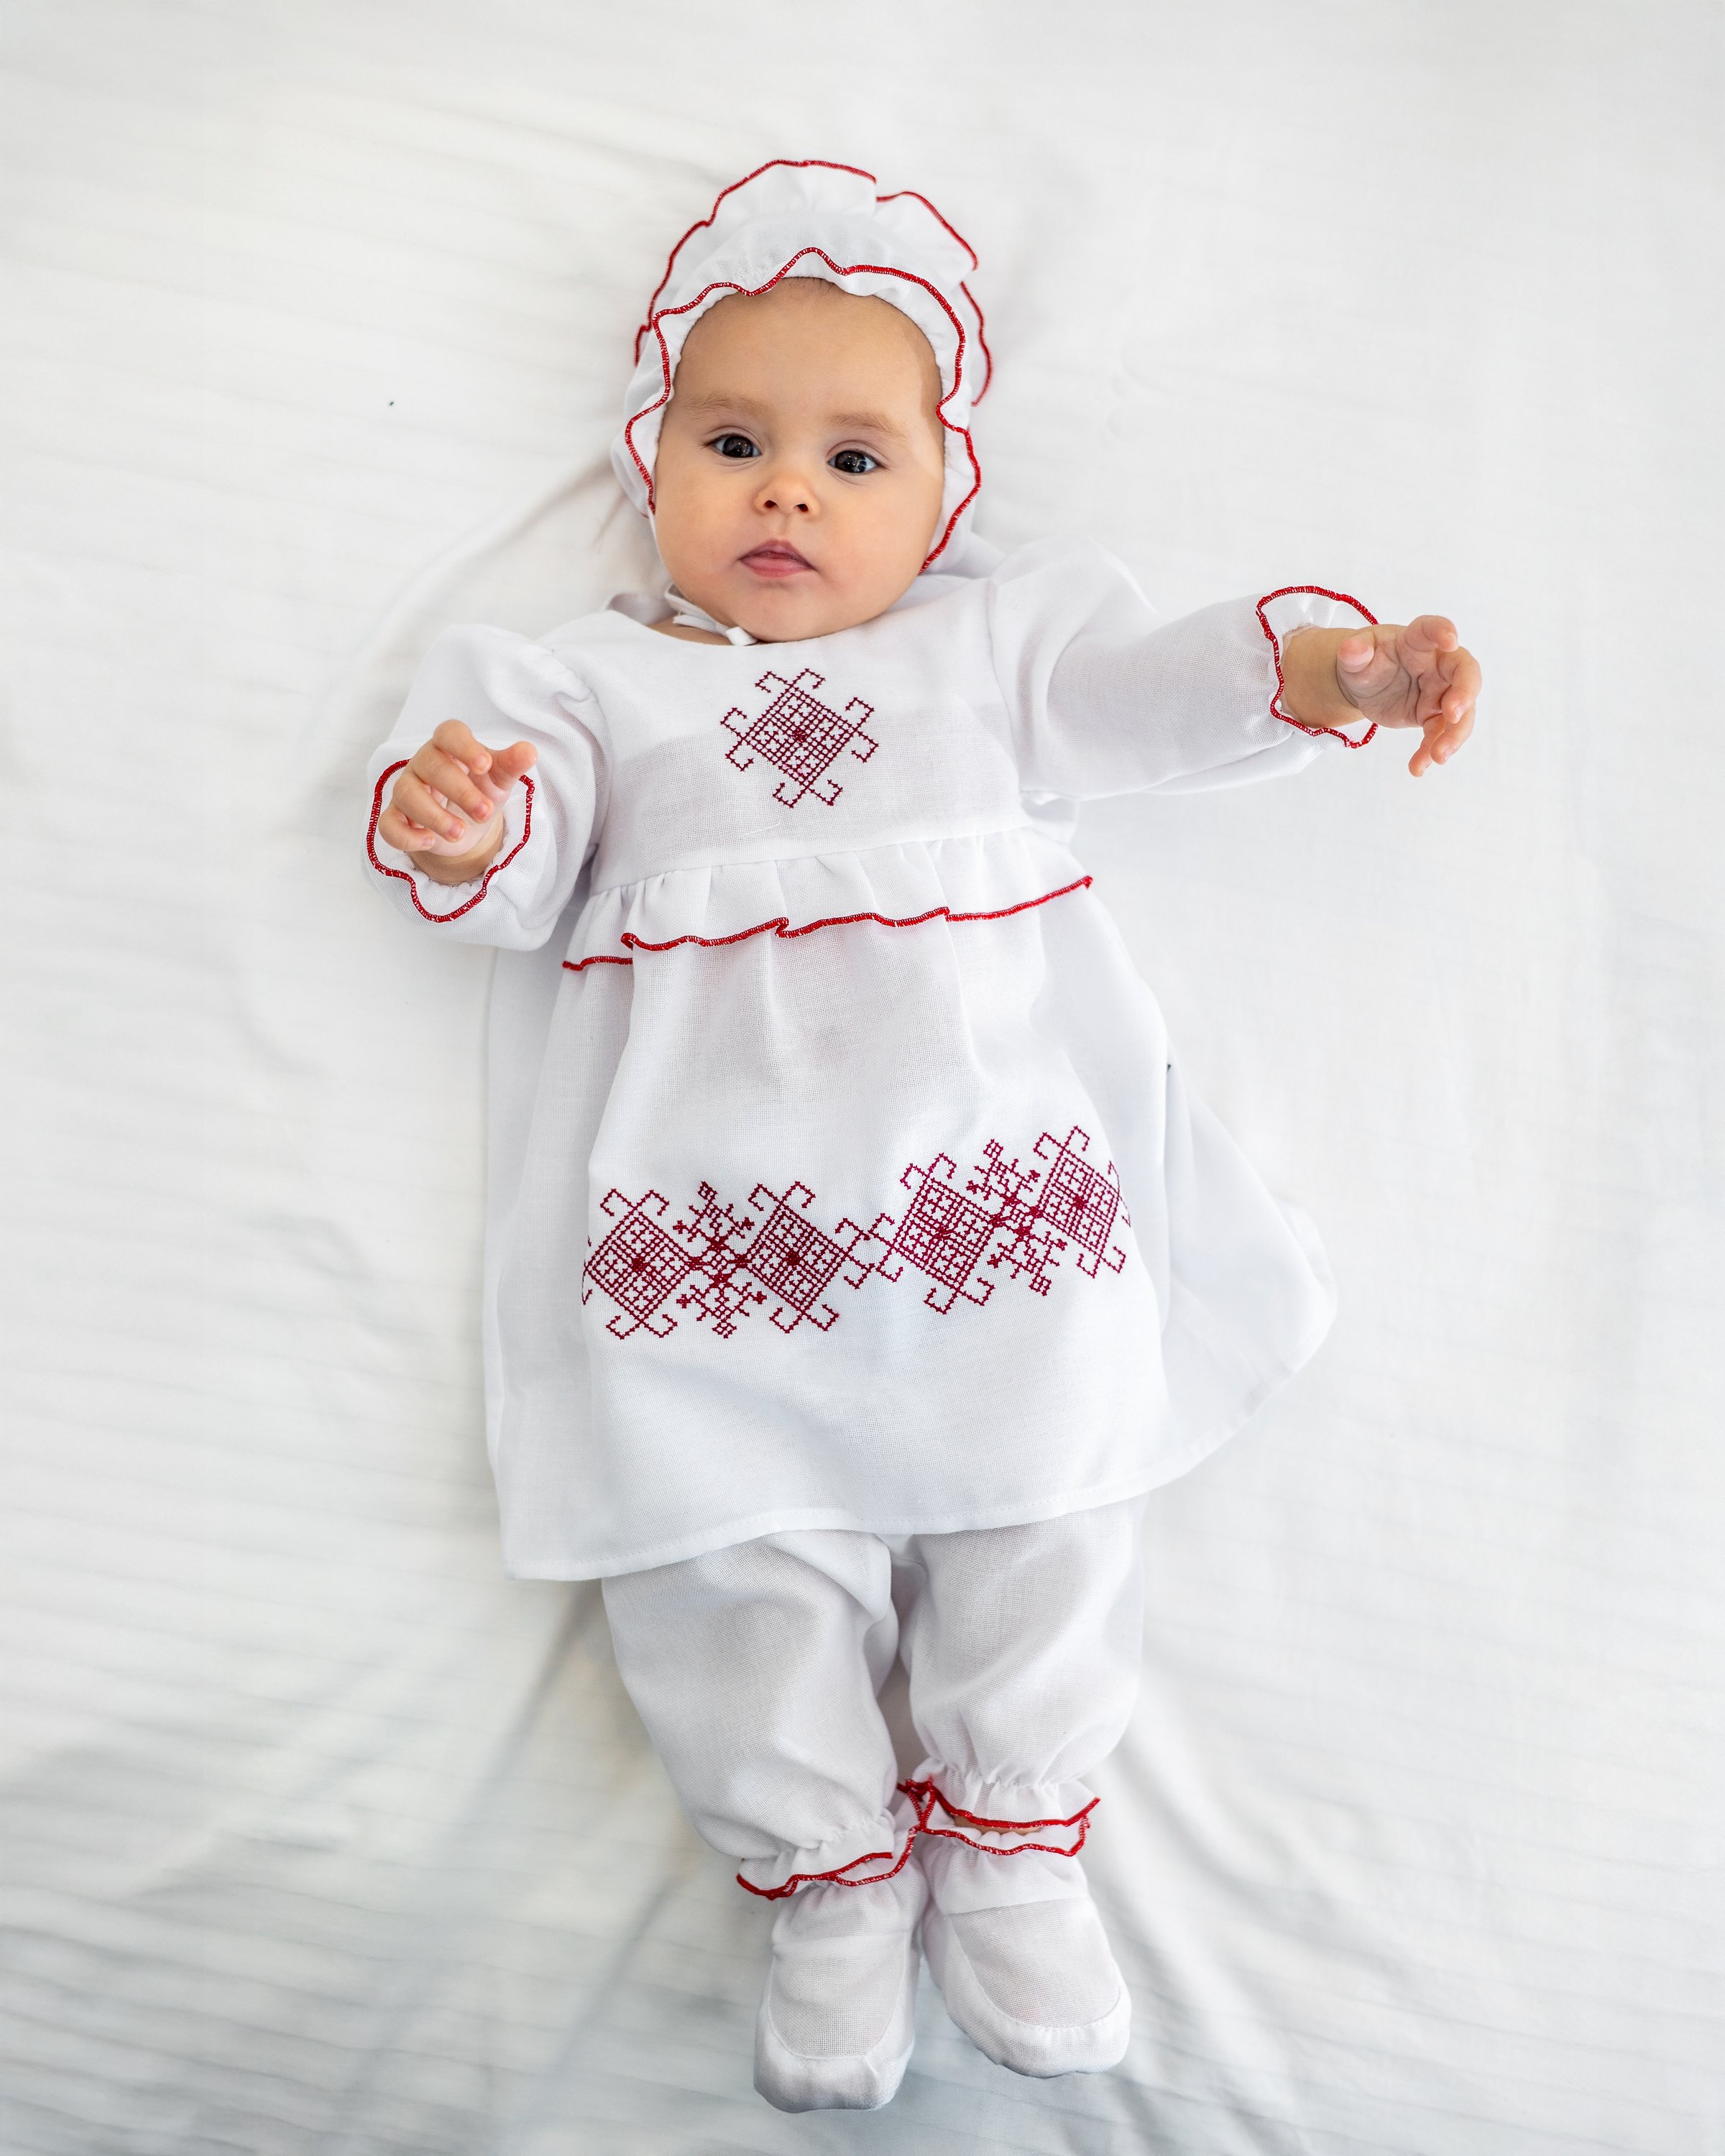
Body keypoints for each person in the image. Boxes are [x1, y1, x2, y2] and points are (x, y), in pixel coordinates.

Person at [362, 159, 1479, 2112]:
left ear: (946, 499)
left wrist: (1344, 673)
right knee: (720, 1557)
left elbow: (1167, 696)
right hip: (716, 1246)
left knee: (1053, 1495)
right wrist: (468, 823)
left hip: (997, 1223)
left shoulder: (989, 654)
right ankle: (827, 1877)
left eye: (856, 458)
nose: (789, 489)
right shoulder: (589, 686)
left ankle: (1018, 1841)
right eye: (737, 440)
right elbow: (514, 869)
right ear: (655, 460)